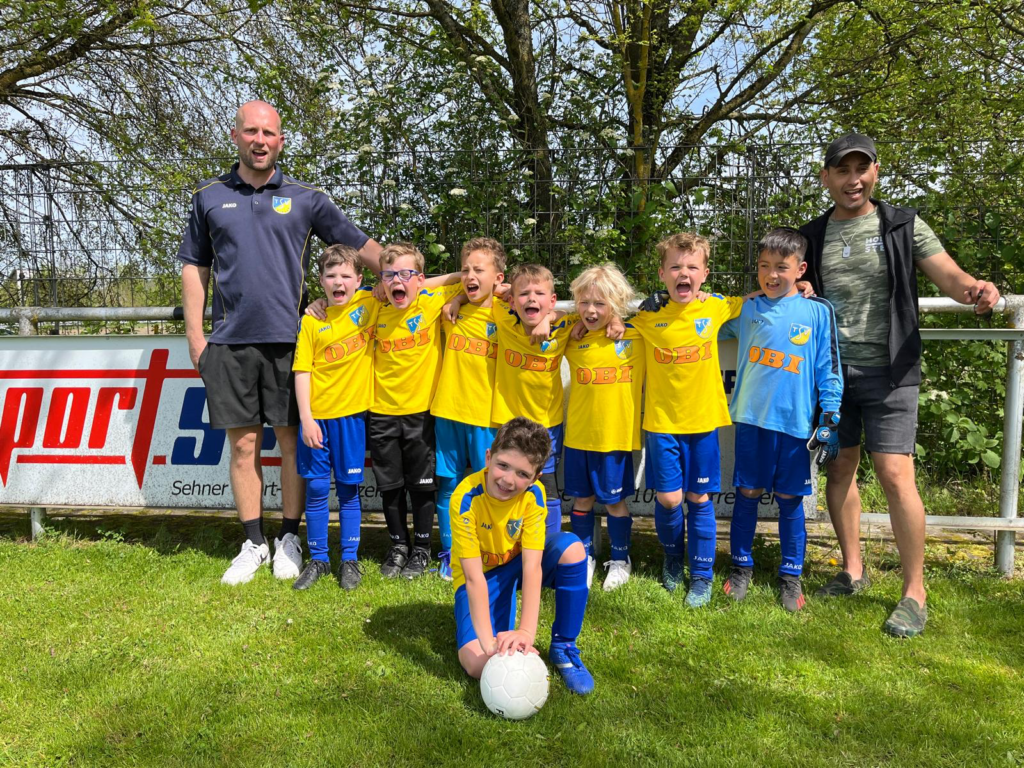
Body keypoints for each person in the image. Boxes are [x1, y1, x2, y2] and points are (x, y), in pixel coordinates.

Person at [800, 132, 1001, 637]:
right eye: (842, 170)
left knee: (894, 474)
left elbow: (951, 278)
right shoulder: (811, 235)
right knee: (839, 468)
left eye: (861, 168)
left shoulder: (902, 224)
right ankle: (852, 571)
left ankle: (915, 592)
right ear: (826, 178)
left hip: (891, 369)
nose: (853, 180)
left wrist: (977, 289)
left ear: (876, 172)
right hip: (829, 374)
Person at [178, 100, 382, 586]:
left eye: (269, 133)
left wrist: (408, 281)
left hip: (292, 344)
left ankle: (290, 537)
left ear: (281, 140)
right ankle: (253, 543)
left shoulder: (307, 198)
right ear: (235, 136)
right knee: (244, 447)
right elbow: (194, 267)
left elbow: (363, 248)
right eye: (251, 131)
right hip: (229, 344)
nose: (260, 140)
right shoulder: (208, 196)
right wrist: (196, 338)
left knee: (292, 445)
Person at [719, 228, 843, 612]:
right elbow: (700, 325)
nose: (771, 275)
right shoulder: (747, 310)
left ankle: (791, 576)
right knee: (747, 493)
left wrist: (830, 416)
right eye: (764, 266)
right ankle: (741, 567)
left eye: (781, 268)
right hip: (751, 420)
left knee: (791, 500)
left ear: (800, 270)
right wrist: (735, 301)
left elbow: (828, 366)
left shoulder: (817, 311)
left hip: (794, 425)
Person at [630, 233, 744, 606]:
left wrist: (800, 288)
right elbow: (606, 319)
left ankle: (702, 576)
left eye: (692, 267)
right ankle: (672, 559)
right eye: (675, 267)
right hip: (661, 423)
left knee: (699, 498)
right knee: (668, 498)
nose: (684, 273)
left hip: (703, 422)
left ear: (705, 274)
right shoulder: (647, 316)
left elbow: (759, 299)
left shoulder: (716, 307)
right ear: (662, 274)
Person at [451, 416, 594, 695]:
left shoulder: (534, 495)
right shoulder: (465, 498)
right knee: (477, 664)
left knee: (573, 548)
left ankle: (564, 647)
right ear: (488, 457)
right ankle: (496, 626)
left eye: (522, 474)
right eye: (503, 465)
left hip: (517, 565)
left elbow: (532, 567)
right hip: (484, 577)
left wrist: (526, 632)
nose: (508, 480)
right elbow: (473, 578)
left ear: (534, 479)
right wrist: (488, 643)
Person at [370, 243, 463, 580]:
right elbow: (338, 303)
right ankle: (398, 546)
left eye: (406, 274)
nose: (397, 281)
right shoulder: (372, 306)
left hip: (422, 414)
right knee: (391, 487)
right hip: (381, 413)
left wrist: (433, 288)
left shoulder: (430, 301)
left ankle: (422, 548)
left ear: (421, 280)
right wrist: (318, 304)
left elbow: (465, 277)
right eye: (389, 275)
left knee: (423, 486)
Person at [290, 245, 378, 591]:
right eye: (330, 275)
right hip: (317, 420)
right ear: (321, 281)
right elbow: (302, 371)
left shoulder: (370, 303)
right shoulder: (312, 320)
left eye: (345, 276)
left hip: (351, 419)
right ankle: (319, 559)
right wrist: (306, 419)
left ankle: (350, 559)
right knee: (315, 488)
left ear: (359, 279)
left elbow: (414, 283)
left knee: (347, 490)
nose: (338, 282)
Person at [563, 264, 645, 591]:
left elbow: (666, 311)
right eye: (584, 303)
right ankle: (584, 558)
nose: (591, 311)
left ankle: (621, 559)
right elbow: (542, 314)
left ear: (617, 303)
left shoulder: (635, 334)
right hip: (578, 436)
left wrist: (619, 319)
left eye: (601, 303)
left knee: (614, 502)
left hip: (614, 438)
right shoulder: (572, 336)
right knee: (581, 500)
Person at [430, 238, 506, 581]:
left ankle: (487, 551)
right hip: (447, 411)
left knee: (488, 487)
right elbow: (421, 285)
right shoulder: (450, 304)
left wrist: (498, 291)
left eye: (479, 270)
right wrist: (459, 290)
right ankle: (451, 553)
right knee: (449, 485)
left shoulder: (507, 312)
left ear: (499, 277)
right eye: (465, 269)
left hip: (486, 417)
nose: (470, 276)